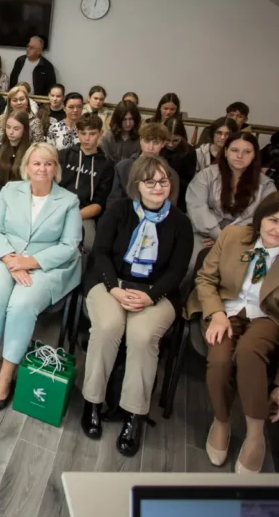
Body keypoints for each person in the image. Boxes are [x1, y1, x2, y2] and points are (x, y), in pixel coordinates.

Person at [187, 192, 279, 473]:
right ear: (261, 218)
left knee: (249, 353)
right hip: (225, 307)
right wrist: (217, 314)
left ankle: (256, 434)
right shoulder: (232, 236)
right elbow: (206, 278)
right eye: (274, 220)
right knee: (220, 360)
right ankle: (221, 420)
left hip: (267, 316)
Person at [81, 156, 193, 456]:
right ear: (137, 185)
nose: (157, 187)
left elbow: (177, 271)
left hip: (156, 292)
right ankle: (92, 401)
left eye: (163, 181)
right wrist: (115, 289)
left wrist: (151, 295)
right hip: (110, 282)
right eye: (149, 181)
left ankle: (134, 414)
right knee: (108, 326)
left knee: (142, 337)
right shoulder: (118, 210)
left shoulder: (181, 223)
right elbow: (100, 253)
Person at [0, 143, 83, 412]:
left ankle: (7, 374)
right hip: (4, 256)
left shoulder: (69, 201)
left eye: (48, 163)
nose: (42, 168)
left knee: (21, 305)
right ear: (26, 167)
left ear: (55, 168)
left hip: (46, 265)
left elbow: (70, 246)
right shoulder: (10, 190)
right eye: (36, 163)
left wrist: (29, 262)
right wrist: (12, 260)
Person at [187, 132, 276, 268]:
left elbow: (265, 217)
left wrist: (229, 239)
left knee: (239, 268)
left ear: (254, 155)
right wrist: (219, 235)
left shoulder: (266, 185)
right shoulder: (206, 175)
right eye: (234, 150)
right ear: (226, 152)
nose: (240, 156)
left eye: (247, 152)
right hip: (205, 233)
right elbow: (197, 207)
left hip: (244, 238)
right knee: (193, 264)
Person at [59, 113, 113, 253]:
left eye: (92, 134)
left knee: (89, 246)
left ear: (100, 133)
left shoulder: (106, 165)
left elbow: (99, 204)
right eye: (83, 133)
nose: (87, 138)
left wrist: (74, 215)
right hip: (58, 208)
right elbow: (51, 187)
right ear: (77, 132)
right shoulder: (64, 155)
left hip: (84, 214)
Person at [107, 122, 174, 208]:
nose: (150, 147)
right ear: (140, 140)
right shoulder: (123, 167)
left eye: (156, 142)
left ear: (163, 144)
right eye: (147, 141)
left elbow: (170, 204)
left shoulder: (169, 172)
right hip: (125, 213)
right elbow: (113, 201)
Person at [0, 109, 32, 200]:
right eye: (8, 127)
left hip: (22, 197)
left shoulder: (31, 152)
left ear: (24, 129)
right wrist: (5, 191)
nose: (11, 132)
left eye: (16, 129)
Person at [0, 85, 44, 150]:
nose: (19, 103)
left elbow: (38, 147)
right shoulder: (1, 119)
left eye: (22, 99)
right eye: (15, 100)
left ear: (27, 101)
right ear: (10, 104)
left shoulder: (35, 122)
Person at [162, 116, 197, 206]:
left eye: (175, 140)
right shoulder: (158, 147)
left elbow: (188, 181)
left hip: (179, 195)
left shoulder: (189, 152)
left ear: (182, 137)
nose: (170, 144)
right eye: (167, 140)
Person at [99, 101, 142, 165]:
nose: (128, 123)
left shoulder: (140, 137)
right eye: (124, 119)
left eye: (131, 119)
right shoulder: (108, 136)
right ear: (118, 119)